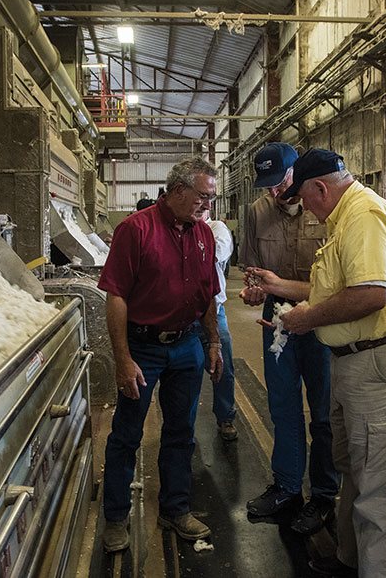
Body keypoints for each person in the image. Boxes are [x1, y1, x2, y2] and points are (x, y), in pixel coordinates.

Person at [247, 148, 386, 577]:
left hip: (381, 362)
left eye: (306, 199)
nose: (307, 210)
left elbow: (371, 294)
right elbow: (334, 287)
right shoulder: (345, 217)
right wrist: (281, 287)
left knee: (375, 484)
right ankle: (349, 560)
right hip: (359, 361)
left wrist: (306, 319)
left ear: (319, 188)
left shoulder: (363, 216)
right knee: (355, 467)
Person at [97, 157, 224, 553]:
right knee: (127, 433)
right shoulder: (135, 230)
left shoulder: (203, 235)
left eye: (211, 198)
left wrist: (213, 342)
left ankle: (175, 508)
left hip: (187, 346)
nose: (207, 205)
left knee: (181, 432)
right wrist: (123, 359)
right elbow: (116, 296)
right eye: (202, 196)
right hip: (144, 348)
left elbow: (207, 293)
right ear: (178, 190)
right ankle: (116, 516)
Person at [239, 143, 339, 536]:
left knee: (324, 411)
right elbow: (252, 268)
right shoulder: (257, 211)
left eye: (280, 182)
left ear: (298, 172)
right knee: (282, 405)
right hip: (278, 316)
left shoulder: (326, 207)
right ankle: (287, 487)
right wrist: (255, 290)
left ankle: (325, 494)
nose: (274, 191)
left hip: (323, 315)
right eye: (266, 184)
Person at [202, 210, 238, 441]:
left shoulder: (217, 229)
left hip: (214, 310)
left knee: (223, 365)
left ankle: (225, 416)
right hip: (184, 313)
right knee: (185, 370)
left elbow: (215, 255)